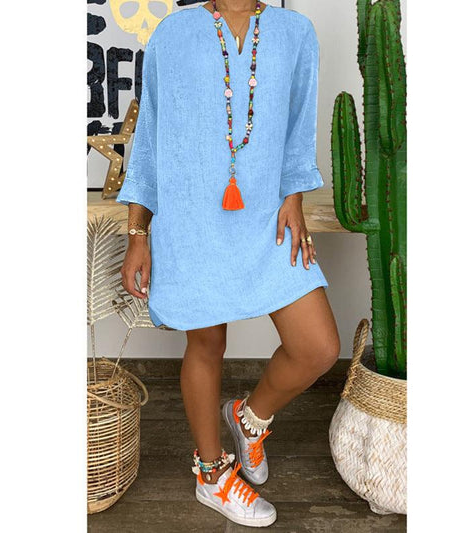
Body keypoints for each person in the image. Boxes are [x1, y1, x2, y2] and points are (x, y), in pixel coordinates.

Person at [117, 0, 340, 527]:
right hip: (192, 219)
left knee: (318, 347)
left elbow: (298, 127)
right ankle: (211, 474)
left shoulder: (295, 32)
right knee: (206, 344)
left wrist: (294, 196)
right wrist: (137, 233)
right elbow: (149, 140)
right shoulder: (173, 34)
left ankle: (249, 418)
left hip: (268, 218)